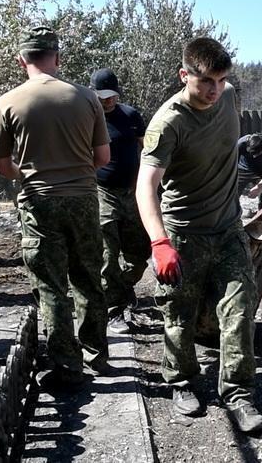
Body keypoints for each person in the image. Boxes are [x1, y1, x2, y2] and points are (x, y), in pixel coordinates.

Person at [135, 37, 262, 433]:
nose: (214, 90)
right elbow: (145, 187)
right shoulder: (169, 122)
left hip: (227, 229)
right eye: (206, 81)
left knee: (240, 311)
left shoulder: (228, 100)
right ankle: (181, 381)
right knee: (179, 315)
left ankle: (239, 394)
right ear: (184, 75)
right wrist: (160, 243)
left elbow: (232, 153)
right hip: (183, 235)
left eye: (221, 80)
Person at [0, 26, 111, 388]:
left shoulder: (8, 102)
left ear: (21, 60)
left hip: (39, 203)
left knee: (51, 284)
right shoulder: (88, 98)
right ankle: (96, 354)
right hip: (84, 200)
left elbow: (2, 164)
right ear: (57, 58)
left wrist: (27, 175)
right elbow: (102, 157)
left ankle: (66, 366)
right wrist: (74, 174)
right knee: (89, 276)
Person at [90, 67, 151, 335]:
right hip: (103, 192)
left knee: (139, 254)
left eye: (112, 96)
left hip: (133, 192)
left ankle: (124, 288)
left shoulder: (130, 115)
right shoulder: (87, 118)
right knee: (108, 254)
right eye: (103, 96)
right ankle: (113, 310)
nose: (108, 101)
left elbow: (147, 147)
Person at [236, 133, 262, 210]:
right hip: (243, 168)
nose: (254, 156)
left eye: (257, 153)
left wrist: (260, 185)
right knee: (234, 193)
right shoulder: (240, 144)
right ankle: (234, 213)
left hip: (261, 169)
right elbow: (233, 165)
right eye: (252, 153)